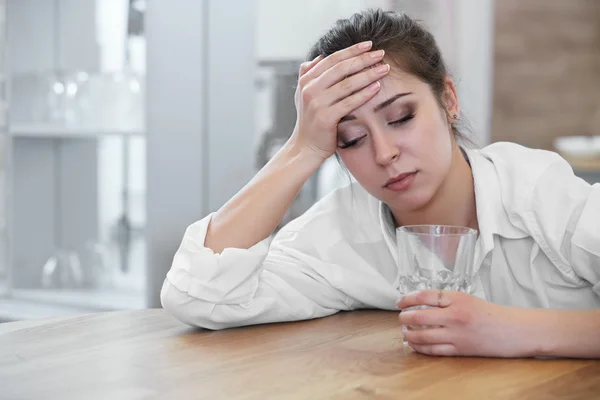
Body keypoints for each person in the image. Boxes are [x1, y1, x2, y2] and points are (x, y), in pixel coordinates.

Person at [160, 9, 600, 358]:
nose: (384, 153)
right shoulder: (342, 232)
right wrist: (302, 148)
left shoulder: (535, 190)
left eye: (401, 117)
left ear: (448, 99)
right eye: (351, 139)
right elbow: (198, 294)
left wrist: (508, 331)